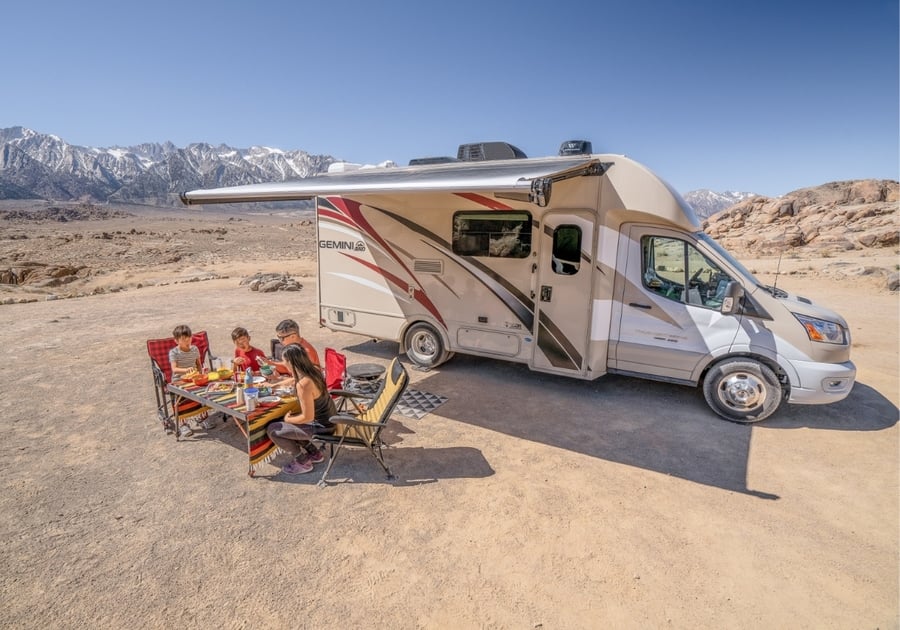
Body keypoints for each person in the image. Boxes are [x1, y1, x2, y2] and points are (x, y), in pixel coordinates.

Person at [266, 345, 336, 475]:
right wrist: (275, 384)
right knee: (287, 423)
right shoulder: (314, 370)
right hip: (330, 420)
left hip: (322, 428)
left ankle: (302, 462)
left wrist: (288, 419)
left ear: (291, 362)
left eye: (284, 361)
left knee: (274, 429)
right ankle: (315, 454)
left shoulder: (303, 385)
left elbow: (307, 417)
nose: (284, 364)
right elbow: (295, 379)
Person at [167, 324, 212, 437]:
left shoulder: (195, 349)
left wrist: (202, 373)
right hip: (179, 380)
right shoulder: (174, 352)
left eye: (189, 338)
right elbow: (174, 369)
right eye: (183, 339)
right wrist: (186, 370)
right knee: (181, 398)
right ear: (176, 341)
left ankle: (202, 417)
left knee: (202, 392)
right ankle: (183, 424)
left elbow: (198, 364)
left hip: (194, 378)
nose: (187, 341)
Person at [272, 319, 320, 385]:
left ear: (293, 336)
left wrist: (274, 385)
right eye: (278, 337)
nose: (280, 341)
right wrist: (269, 363)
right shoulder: (295, 347)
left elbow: (303, 379)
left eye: (281, 338)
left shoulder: (305, 352)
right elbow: (288, 366)